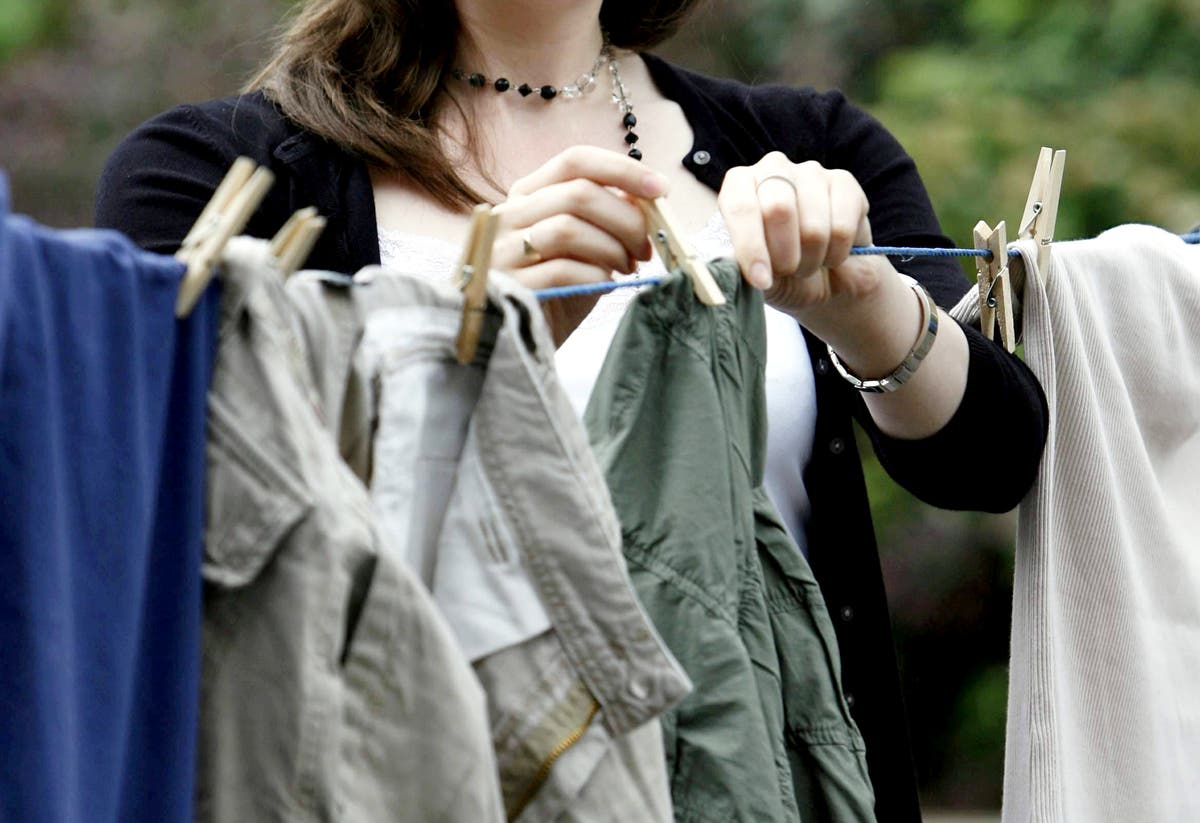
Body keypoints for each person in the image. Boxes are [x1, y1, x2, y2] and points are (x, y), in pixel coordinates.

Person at [94, 0, 1049, 817]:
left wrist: (866, 309)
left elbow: (997, 458)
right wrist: (456, 337)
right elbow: (157, 511)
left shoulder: (811, 144)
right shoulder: (211, 175)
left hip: (764, 777)